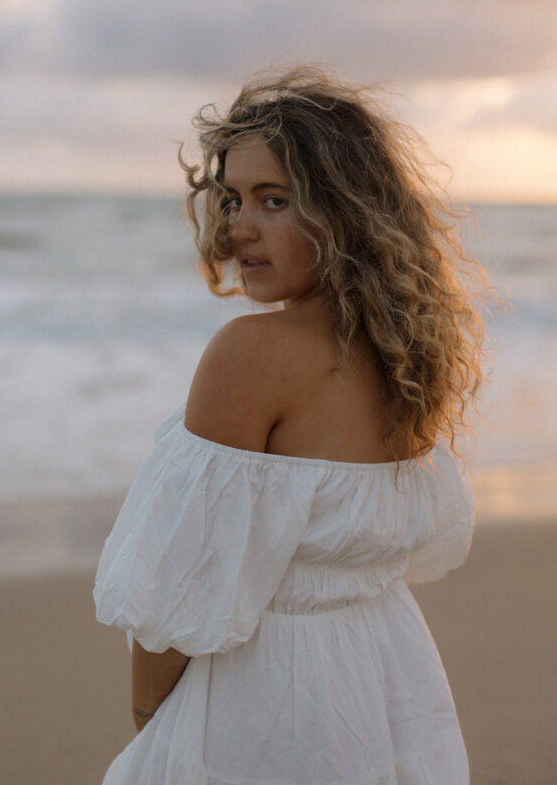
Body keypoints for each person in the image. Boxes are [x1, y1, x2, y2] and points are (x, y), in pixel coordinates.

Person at [93, 66, 485, 784]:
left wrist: (151, 721)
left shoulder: (251, 352)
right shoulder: (409, 355)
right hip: (388, 676)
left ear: (345, 211)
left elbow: (179, 586)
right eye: (232, 198)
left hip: (269, 693)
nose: (238, 227)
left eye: (273, 200)